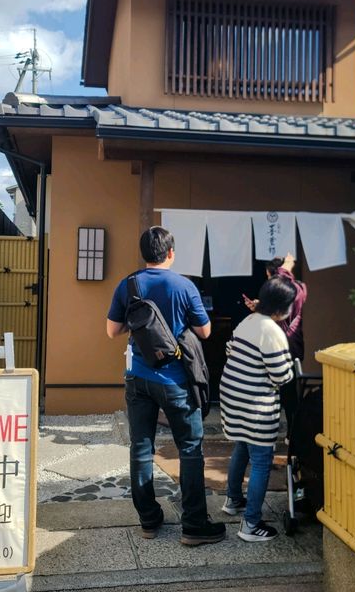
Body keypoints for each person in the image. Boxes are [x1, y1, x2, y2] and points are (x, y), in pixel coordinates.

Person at [107, 226, 226, 546]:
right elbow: (205, 332)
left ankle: (149, 519)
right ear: (171, 253)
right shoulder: (184, 286)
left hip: (138, 378)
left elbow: (111, 330)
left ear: (144, 253)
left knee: (141, 447)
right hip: (175, 379)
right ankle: (194, 525)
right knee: (189, 449)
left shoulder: (128, 284)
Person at [221, 275, 296, 542]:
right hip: (256, 404)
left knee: (241, 445)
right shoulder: (272, 330)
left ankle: (233, 500)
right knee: (262, 460)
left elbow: (230, 350)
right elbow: (281, 375)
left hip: (233, 397)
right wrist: (290, 368)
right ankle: (250, 524)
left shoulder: (249, 320)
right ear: (281, 307)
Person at [243, 253, 307, 434]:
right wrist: (259, 306)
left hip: (283, 346)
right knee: (287, 393)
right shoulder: (297, 289)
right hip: (291, 346)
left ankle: (288, 434)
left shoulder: (293, 288)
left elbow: (280, 283)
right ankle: (290, 434)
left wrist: (286, 265)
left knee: (283, 393)